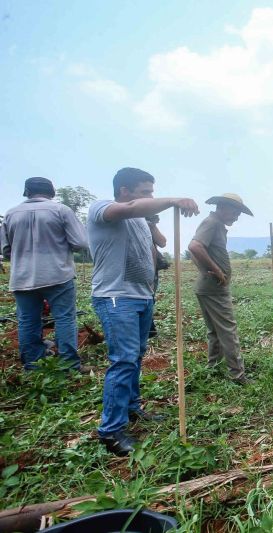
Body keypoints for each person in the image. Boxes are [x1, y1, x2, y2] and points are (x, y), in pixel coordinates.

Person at [88, 167, 199, 456]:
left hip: (141, 296)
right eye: (146, 192)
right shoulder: (103, 208)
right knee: (123, 360)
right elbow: (133, 208)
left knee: (135, 357)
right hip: (116, 297)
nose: (151, 196)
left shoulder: (140, 219)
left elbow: (157, 242)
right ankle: (111, 431)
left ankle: (132, 408)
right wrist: (174, 200)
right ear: (125, 191)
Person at [2, 177, 88, 371]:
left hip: (22, 277)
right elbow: (81, 243)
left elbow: (6, 250)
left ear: (27, 192)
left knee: (27, 320)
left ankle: (33, 365)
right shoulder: (60, 210)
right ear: (51, 193)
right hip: (57, 274)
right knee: (65, 318)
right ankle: (69, 365)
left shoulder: (11, 214)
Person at [187, 193, 253, 385]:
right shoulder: (212, 223)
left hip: (208, 287)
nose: (237, 216)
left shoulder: (214, 224)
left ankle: (213, 367)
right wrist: (215, 271)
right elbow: (195, 246)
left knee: (215, 331)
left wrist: (205, 270)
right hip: (214, 288)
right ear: (223, 207)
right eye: (235, 212)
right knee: (228, 330)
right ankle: (238, 375)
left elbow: (196, 248)